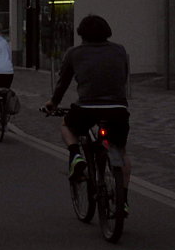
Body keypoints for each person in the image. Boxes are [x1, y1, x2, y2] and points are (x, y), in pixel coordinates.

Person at [43, 14, 131, 203]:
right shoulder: (120, 50)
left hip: (87, 107)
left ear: (81, 34)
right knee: (121, 152)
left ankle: (76, 155)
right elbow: (123, 77)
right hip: (117, 108)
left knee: (67, 126)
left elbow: (63, 83)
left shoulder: (74, 53)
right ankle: (122, 201)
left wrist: (53, 103)